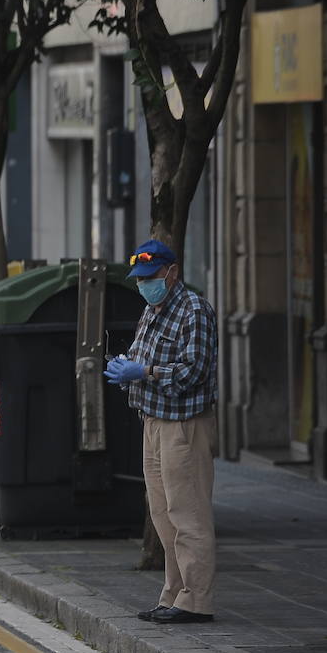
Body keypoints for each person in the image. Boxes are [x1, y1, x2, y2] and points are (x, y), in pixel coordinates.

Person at [104, 238, 219, 624]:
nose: (144, 284)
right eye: (139, 279)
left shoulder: (194, 311)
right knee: (163, 515)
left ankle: (196, 600)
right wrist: (125, 369)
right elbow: (141, 358)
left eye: (151, 277)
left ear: (172, 273)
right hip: (152, 422)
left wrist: (146, 372)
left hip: (184, 426)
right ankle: (174, 593)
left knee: (189, 514)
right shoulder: (152, 312)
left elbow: (194, 372)